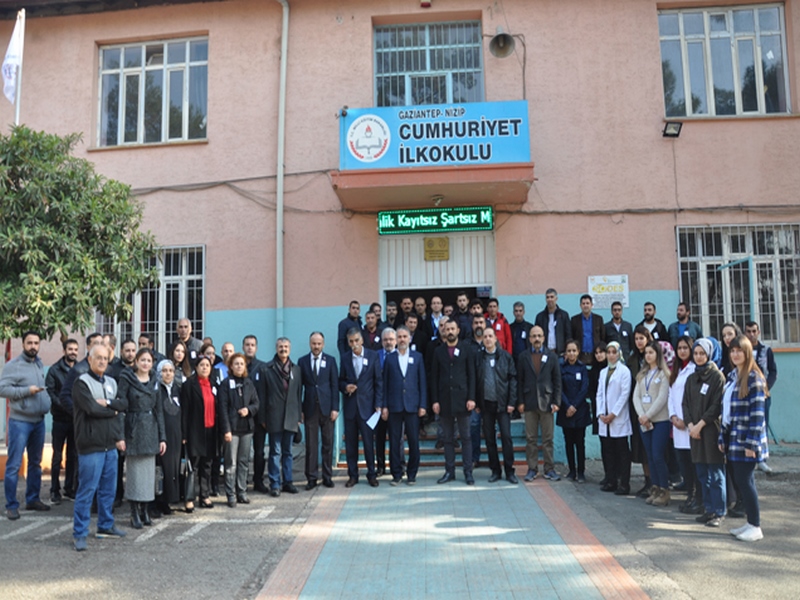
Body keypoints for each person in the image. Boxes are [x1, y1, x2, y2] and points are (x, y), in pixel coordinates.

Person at [71, 343, 128, 551]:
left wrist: (109, 404)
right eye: (98, 358)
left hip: (109, 446)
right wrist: (112, 409)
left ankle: (105, 526)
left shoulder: (112, 381)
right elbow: (91, 409)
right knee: (87, 491)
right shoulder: (81, 383)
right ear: (89, 359)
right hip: (90, 447)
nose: (102, 361)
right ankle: (79, 533)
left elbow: (124, 404)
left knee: (108, 491)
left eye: (105, 358)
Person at [720, 335, 768, 542]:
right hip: (733, 438)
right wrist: (723, 438)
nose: (735, 354)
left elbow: (758, 415)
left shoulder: (754, 379)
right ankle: (749, 522)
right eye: (732, 351)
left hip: (747, 441)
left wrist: (752, 444)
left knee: (746, 481)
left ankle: (756, 525)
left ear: (747, 352)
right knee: (740, 481)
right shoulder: (733, 376)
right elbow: (727, 411)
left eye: (739, 350)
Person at [1, 331, 51, 520]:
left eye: (36, 343)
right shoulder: (13, 366)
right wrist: (26, 391)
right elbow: (2, 389)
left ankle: (32, 499)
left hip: (38, 421)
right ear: (23, 344)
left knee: (35, 464)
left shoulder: (38, 363)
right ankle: (11, 505)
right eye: (29, 342)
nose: (33, 346)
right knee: (14, 465)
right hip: (20, 422)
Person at [118, 348, 166, 529]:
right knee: (134, 474)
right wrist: (121, 435)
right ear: (136, 362)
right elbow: (121, 407)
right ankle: (133, 511)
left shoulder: (155, 381)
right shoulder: (127, 379)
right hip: (134, 428)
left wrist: (163, 437)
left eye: (149, 360)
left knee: (147, 475)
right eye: (142, 360)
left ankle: (145, 509)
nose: (146, 363)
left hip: (151, 429)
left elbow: (159, 411)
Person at [682, 338, 727, 528]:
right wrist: (691, 424)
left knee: (716, 474)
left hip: (710, 431)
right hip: (695, 432)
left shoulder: (717, 377)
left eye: (702, 353)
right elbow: (685, 403)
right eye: (696, 354)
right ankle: (708, 509)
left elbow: (716, 406)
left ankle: (719, 511)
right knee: (702, 473)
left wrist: (700, 425)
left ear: (709, 354)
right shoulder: (691, 377)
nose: (699, 357)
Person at [431, 319, 476, 485]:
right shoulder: (438, 351)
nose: (449, 331)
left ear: (458, 330)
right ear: (443, 331)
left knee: (466, 438)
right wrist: (435, 400)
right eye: (447, 328)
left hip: (463, 400)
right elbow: (433, 378)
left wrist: (472, 398)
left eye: (452, 328)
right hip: (444, 401)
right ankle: (449, 472)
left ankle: (468, 472)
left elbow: (472, 375)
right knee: (448, 438)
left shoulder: (466, 349)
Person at [382, 325, 427, 485]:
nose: (402, 340)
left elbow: (422, 382)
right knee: (394, 442)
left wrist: (423, 405)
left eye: (404, 337)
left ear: (409, 339)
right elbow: (385, 384)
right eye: (399, 337)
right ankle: (396, 474)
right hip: (394, 406)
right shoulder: (390, 358)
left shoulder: (418, 357)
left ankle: (412, 474)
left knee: (413, 441)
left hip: (412, 406)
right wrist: (384, 406)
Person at [517, 325, 562, 482]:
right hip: (529, 403)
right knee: (531, 439)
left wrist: (557, 402)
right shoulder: (523, 356)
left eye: (539, 336)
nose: (536, 339)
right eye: (533, 336)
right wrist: (520, 401)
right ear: (529, 339)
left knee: (548, 439)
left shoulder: (552, 356)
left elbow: (557, 380)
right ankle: (532, 469)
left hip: (547, 403)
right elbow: (520, 381)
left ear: (544, 338)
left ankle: (549, 469)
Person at [339, 328, 383, 487]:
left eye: (356, 340)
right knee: (351, 444)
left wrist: (378, 404)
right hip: (351, 407)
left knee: (368, 443)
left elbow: (378, 382)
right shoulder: (344, 358)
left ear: (362, 340)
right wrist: (345, 387)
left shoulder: (373, 356)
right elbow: (340, 380)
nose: (354, 344)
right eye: (351, 341)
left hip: (368, 408)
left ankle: (372, 474)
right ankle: (353, 475)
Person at [260, 338, 303, 497]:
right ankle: (275, 484)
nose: (283, 349)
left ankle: (288, 482)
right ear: (276, 348)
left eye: (286, 347)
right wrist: (263, 418)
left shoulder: (296, 370)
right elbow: (262, 396)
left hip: (291, 417)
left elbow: (298, 394)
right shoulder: (267, 369)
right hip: (274, 416)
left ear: (290, 349)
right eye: (280, 347)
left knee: (288, 452)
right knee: (275, 452)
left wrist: (299, 415)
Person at [632, 341, 672, 506]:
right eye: (646, 352)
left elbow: (662, 398)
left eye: (651, 352)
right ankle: (655, 487)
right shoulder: (642, 375)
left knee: (657, 454)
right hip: (644, 421)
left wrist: (647, 415)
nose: (648, 355)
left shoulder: (664, 374)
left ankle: (664, 489)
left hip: (660, 421)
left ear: (658, 354)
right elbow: (636, 397)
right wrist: (642, 415)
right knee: (649, 455)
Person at [217, 353, 259, 507]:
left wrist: (249, 410)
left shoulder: (249, 383)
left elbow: (256, 403)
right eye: (236, 364)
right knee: (230, 463)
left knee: (244, 462)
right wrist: (226, 430)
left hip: (247, 429)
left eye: (242, 364)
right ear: (231, 366)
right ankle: (231, 494)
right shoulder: (225, 384)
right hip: (232, 430)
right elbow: (222, 408)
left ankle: (242, 492)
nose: (239, 366)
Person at [476, 327, 518, 484]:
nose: (487, 339)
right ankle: (495, 470)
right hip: (486, 405)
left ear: (495, 339)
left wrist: (511, 402)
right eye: (485, 336)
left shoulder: (505, 357)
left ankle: (509, 471)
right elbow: (475, 380)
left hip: (503, 405)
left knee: (506, 437)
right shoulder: (479, 358)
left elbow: (513, 380)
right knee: (489, 439)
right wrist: (477, 401)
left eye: (490, 336)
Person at [299, 332, 339, 490]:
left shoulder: (330, 361)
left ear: (323, 344)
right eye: (313, 343)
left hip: (327, 409)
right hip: (309, 409)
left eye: (319, 344)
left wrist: (335, 408)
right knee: (311, 445)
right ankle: (311, 477)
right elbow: (299, 388)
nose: (316, 347)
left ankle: (327, 476)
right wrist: (300, 410)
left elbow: (335, 386)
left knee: (327, 444)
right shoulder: (302, 361)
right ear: (310, 344)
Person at [180, 355, 218, 511]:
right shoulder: (189, 385)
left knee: (207, 465)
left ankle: (205, 495)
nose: (204, 368)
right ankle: (189, 498)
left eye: (207, 365)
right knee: (192, 466)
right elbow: (185, 411)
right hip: (195, 431)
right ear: (196, 368)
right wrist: (184, 435)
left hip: (211, 431)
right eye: (201, 365)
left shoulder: (214, 384)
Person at [668, 336, 701, 514]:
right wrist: (673, 416)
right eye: (679, 348)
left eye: (685, 348)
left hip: (689, 424)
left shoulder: (694, 370)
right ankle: (690, 495)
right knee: (684, 464)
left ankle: (697, 497)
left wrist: (686, 421)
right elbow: (670, 395)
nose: (682, 351)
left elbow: (694, 400)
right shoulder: (676, 369)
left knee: (693, 463)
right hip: (677, 424)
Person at [46, 337, 80, 504]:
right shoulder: (54, 370)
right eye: (70, 349)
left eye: (75, 349)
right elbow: (51, 393)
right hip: (60, 419)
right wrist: (67, 407)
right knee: (57, 456)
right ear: (64, 351)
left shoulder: (81, 369)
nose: (73, 352)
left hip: (75, 420)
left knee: (73, 455)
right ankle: (54, 490)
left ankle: (69, 488)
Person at [596, 341, 632, 495]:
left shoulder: (624, 371)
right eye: (608, 352)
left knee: (622, 452)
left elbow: (624, 395)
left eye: (613, 352)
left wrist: (613, 414)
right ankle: (610, 480)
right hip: (604, 419)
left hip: (618, 418)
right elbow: (599, 394)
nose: (611, 355)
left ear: (619, 353)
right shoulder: (603, 372)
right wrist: (600, 414)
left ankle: (624, 484)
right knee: (608, 450)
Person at [744, 321, 777, 474]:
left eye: (754, 331)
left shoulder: (766, 350)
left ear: (758, 332)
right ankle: (751, 456)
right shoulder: (743, 350)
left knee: (762, 425)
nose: (751, 334)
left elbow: (773, 371)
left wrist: (766, 387)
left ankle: (762, 459)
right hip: (746, 393)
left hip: (763, 394)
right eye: (748, 331)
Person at [558, 340, 590, 483]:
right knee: (568, 442)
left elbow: (584, 388)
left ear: (578, 352)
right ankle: (572, 471)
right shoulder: (561, 367)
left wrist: (574, 406)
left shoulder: (582, 368)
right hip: (566, 410)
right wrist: (567, 405)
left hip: (579, 410)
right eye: (569, 351)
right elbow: (559, 388)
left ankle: (581, 472)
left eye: (574, 351)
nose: (571, 353)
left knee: (580, 442)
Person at [628, 326, 654, 497]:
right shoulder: (632, 360)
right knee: (642, 447)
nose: (639, 342)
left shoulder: (654, 357)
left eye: (641, 338)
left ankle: (657, 482)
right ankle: (648, 481)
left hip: (654, 409)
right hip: (637, 409)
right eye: (636, 338)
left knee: (654, 449)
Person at [154, 360, 182, 515]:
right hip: (162, 437)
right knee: (160, 470)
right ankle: (157, 502)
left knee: (172, 470)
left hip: (176, 436)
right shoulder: (157, 390)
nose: (168, 373)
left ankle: (168, 501)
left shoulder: (177, 389)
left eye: (171, 370)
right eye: (164, 370)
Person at [374, 327, 397, 477]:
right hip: (378, 403)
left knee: (396, 438)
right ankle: (381, 467)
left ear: (395, 341)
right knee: (380, 437)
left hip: (396, 404)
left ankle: (397, 466)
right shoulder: (375, 356)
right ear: (381, 341)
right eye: (385, 340)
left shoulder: (400, 356)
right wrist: (379, 405)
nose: (388, 342)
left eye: (391, 339)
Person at [571, 294, 606, 364]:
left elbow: (603, 337)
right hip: (580, 355)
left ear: (591, 305)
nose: (585, 305)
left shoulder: (598, 319)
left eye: (587, 303)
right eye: (583, 303)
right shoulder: (574, 320)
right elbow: (572, 337)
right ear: (580, 305)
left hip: (595, 355)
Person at [534, 289, 571, 355]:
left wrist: (567, 351)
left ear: (556, 298)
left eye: (552, 297)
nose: (549, 299)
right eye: (547, 297)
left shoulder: (564, 315)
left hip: (560, 354)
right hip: (544, 353)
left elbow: (568, 335)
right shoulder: (540, 317)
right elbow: (536, 334)